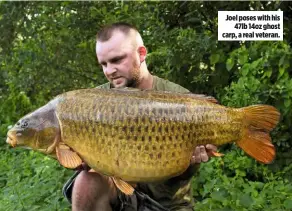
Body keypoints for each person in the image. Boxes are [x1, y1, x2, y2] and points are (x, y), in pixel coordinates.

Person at [63, 22, 217, 211]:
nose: (109, 71)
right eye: (104, 64)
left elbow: (183, 177)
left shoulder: (177, 97)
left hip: (168, 204)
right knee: (85, 182)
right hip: (120, 197)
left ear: (141, 53)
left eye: (117, 60)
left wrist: (192, 163)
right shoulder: (93, 102)